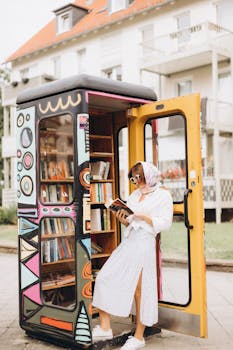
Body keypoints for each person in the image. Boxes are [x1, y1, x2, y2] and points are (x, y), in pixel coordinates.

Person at [92, 161, 173, 350]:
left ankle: (139, 337)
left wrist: (143, 217)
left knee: (140, 290)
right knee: (104, 277)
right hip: (129, 242)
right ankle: (105, 327)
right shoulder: (134, 195)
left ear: (149, 177)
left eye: (140, 179)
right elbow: (130, 221)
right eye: (134, 179)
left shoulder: (163, 195)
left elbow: (166, 223)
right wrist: (123, 219)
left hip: (145, 243)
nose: (137, 183)